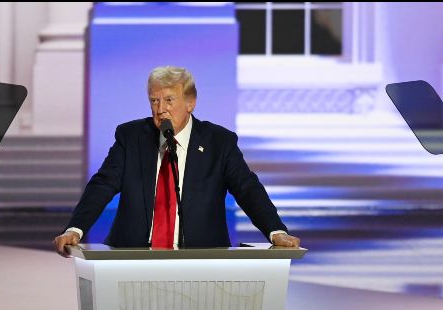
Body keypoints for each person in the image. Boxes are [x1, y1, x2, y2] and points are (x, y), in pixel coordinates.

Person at [54, 66, 300, 257]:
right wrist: (75, 228)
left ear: (190, 103)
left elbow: (248, 189)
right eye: (154, 100)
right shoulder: (131, 137)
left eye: (169, 100)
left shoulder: (219, 142)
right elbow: (103, 184)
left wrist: (275, 231)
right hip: (131, 256)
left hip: (200, 258)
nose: (160, 109)